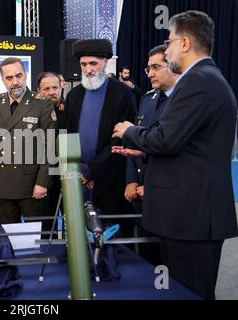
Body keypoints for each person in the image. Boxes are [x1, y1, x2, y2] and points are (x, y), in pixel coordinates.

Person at [112, 10, 238, 300]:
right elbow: (185, 146)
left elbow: (166, 139)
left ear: (184, 44)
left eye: (168, 42)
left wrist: (130, 131)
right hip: (188, 215)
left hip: (190, 217)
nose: (166, 50)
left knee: (189, 292)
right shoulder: (207, 79)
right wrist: (143, 147)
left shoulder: (198, 81)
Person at [66, 39, 136, 232]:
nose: (88, 69)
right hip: (80, 178)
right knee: (80, 233)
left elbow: (122, 137)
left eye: (93, 63)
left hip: (111, 177)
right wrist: (81, 170)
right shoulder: (74, 95)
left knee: (112, 234)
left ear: (105, 63)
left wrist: (91, 170)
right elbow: (68, 135)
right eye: (83, 64)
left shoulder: (122, 93)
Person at [0, 57, 57, 225]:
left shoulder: (42, 103)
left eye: (19, 76)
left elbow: (50, 146)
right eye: (9, 78)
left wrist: (42, 182)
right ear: (2, 79)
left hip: (32, 185)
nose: (15, 82)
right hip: (2, 184)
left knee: (37, 238)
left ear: (25, 75)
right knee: (8, 240)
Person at [124, 44, 178, 265]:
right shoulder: (147, 99)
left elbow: (175, 151)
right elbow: (134, 142)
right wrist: (131, 180)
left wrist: (153, 186)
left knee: (171, 265)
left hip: (167, 196)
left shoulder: (183, 102)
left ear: (173, 66)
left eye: (156, 67)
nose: (151, 73)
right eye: (148, 69)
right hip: (140, 194)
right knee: (147, 260)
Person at [36, 72, 68, 217]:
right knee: (45, 224)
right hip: (42, 177)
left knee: (72, 223)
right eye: (46, 89)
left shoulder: (71, 109)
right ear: (38, 91)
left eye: (55, 88)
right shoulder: (31, 112)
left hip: (67, 175)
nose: (51, 92)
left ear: (61, 87)